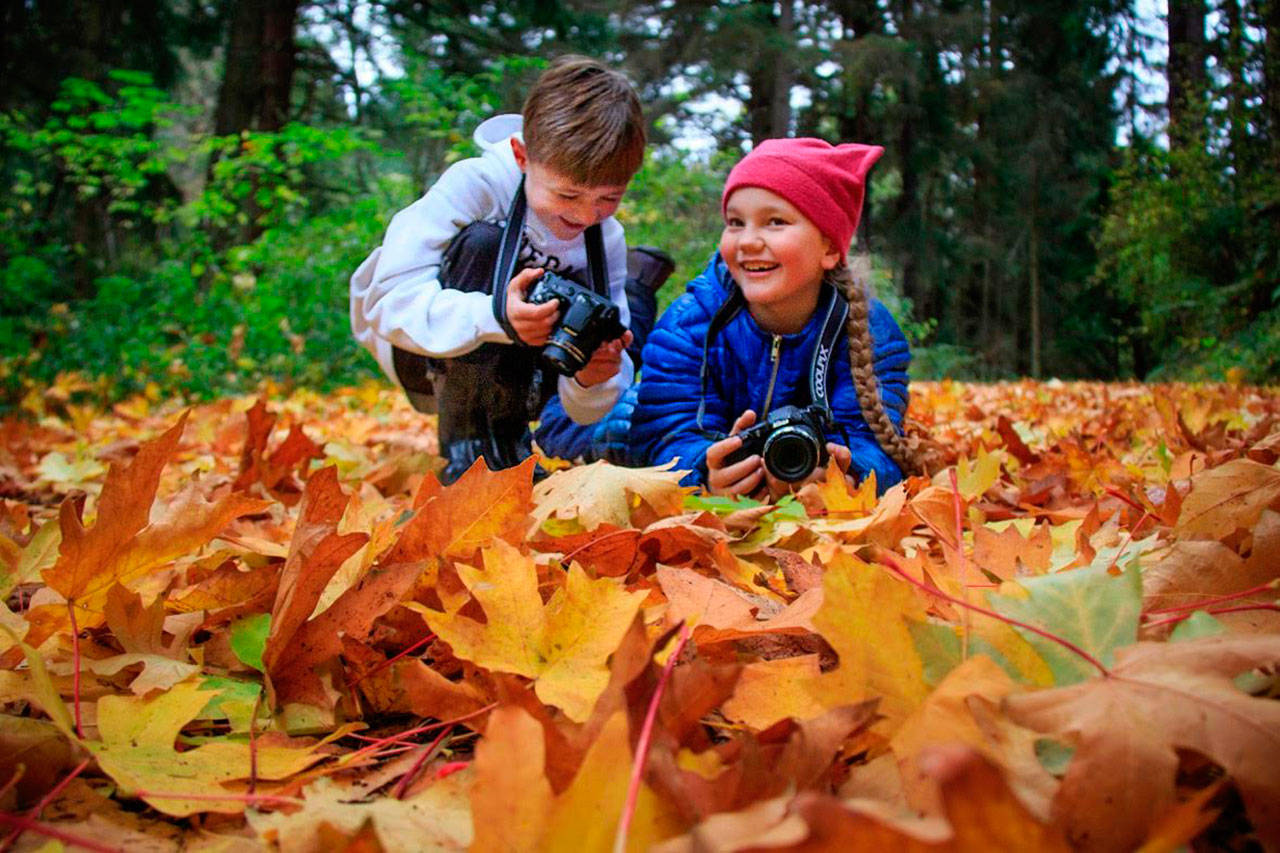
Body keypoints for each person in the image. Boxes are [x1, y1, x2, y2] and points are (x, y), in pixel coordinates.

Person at [349, 56, 669, 484]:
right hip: (418, 350)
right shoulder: (477, 186)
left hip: (526, 378)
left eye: (608, 199)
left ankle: (510, 453)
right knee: (485, 240)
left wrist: (593, 376)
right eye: (568, 194)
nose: (586, 215)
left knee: (602, 320)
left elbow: (586, 407)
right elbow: (385, 303)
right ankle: (470, 459)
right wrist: (495, 317)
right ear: (521, 156)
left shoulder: (605, 239)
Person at [624, 137, 917, 498]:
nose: (747, 240)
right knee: (590, 428)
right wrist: (702, 470)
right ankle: (633, 287)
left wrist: (847, 475)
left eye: (775, 222)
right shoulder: (690, 323)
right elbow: (662, 432)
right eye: (735, 222)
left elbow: (878, 447)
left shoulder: (871, 332)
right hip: (620, 409)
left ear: (828, 247)